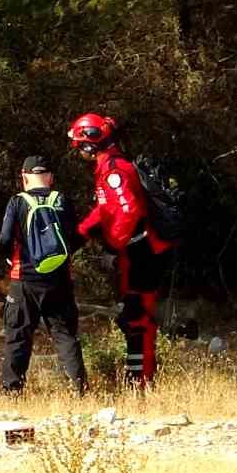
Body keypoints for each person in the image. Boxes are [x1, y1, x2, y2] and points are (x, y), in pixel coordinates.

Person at [67, 113, 173, 389]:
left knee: (137, 316)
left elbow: (129, 210)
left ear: (91, 144)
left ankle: (141, 380)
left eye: (80, 145)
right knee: (133, 315)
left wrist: (114, 244)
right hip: (135, 251)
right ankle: (138, 375)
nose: (79, 151)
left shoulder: (114, 170)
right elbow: (106, 209)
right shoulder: (108, 166)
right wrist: (80, 233)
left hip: (141, 251)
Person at [0, 155, 88, 394]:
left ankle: (13, 390)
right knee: (65, 335)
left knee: (18, 335)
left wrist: (9, 257)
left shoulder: (17, 202)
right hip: (59, 280)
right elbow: (77, 236)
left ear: (24, 177)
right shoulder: (62, 200)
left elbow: (5, 238)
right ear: (50, 178)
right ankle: (79, 388)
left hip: (24, 279)